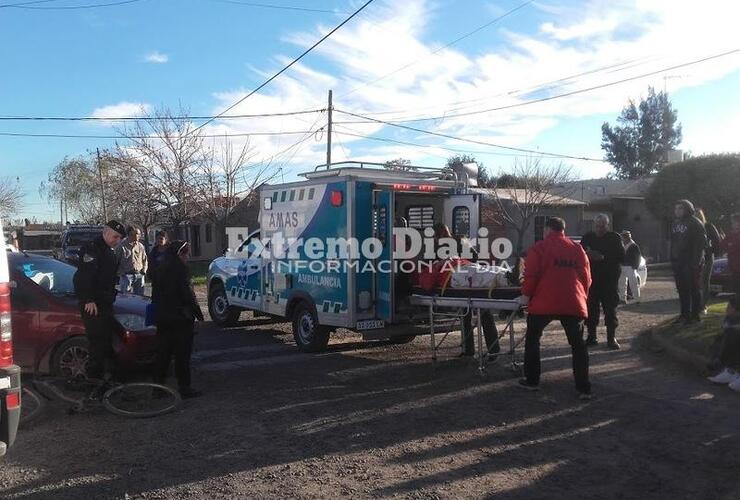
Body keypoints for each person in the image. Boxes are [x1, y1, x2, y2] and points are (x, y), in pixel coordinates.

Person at [518, 217, 592, 399]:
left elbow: (531, 275)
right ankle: (583, 388)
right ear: (563, 229)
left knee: (533, 339)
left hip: (544, 301)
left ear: (547, 229)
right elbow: (586, 277)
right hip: (572, 301)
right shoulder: (577, 248)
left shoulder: (539, 248)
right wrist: (583, 296)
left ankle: (532, 380)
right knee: (578, 345)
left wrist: (526, 296)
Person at [72, 220, 126, 392]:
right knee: (97, 344)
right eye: (115, 236)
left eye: (119, 238)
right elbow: (83, 276)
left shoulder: (108, 250)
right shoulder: (92, 248)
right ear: (105, 232)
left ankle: (109, 379)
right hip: (93, 305)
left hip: (105, 302)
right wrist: (88, 299)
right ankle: (93, 386)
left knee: (107, 342)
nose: (117, 240)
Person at [154, 240, 204, 398]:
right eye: (185, 253)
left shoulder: (160, 267)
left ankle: (157, 387)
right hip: (179, 318)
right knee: (182, 354)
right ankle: (184, 386)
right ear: (179, 253)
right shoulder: (180, 269)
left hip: (163, 316)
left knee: (163, 354)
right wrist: (198, 314)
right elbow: (188, 293)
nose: (187, 256)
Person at [582, 214, 625, 349]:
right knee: (591, 308)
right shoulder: (588, 237)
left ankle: (611, 337)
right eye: (597, 226)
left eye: (602, 226)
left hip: (609, 279)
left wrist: (603, 257)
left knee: (610, 309)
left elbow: (622, 257)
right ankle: (591, 335)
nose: (600, 229)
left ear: (608, 225)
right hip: (592, 280)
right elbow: (579, 254)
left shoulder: (614, 238)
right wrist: (589, 255)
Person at [671, 200, 707, 324]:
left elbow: (702, 244)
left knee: (693, 289)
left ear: (687, 209)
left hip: (691, 261)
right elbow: (673, 242)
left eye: (680, 208)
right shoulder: (675, 224)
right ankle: (684, 314)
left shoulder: (696, 223)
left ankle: (695, 315)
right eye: (676, 208)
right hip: (678, 262)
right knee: (681, 289)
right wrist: (673, 258)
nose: (677, 211)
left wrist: (695, 262)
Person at [707, 295, 740, 392]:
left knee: (732, 334)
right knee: (727, 336)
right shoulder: (728, 319)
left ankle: (727, 367)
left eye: (729, 307)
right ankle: (731, 371)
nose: (726, 309)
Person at [696, 208, 723, 313]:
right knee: (696, 281)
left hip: (707, 257)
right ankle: (697, 304)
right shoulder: (693, 228)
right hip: (696, 257)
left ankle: (703, 305)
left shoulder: (708, 226)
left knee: (704, 280)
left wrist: (711, 250)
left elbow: (717, 241)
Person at [116, 226, 148, 295]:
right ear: (130, 234)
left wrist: (144, 271)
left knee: (139, 298)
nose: (139, 236)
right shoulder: (121, 246)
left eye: (139, 234)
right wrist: (121, 273)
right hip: (126, 276)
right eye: (137, 234)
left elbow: (145, 260)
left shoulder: (141, 246)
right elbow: (116, 261)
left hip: (139, 275)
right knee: (126, 298)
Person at [618, 230, 642, 304]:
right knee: (622, 283)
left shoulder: (633, 245)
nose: (623, 238)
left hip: (630, 266)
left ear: (628, 237)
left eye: (624, 236)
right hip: (623, 266)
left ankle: (637, 299)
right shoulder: (622, 245)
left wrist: (635, 266)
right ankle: (622, 298)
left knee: (633, 283)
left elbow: (638, 257)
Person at [720, 213, 740, 295]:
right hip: (733, 266)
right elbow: (722, 245)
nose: (733, 223)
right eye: (733, 222)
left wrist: (729, 246)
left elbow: (734, 247)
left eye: (735, 221)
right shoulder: (730, 234)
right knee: (735, 288)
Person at [147, 230, 169, 300]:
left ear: (166, 239)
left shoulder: (170, 251)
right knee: (156, 299)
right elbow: (150, 264)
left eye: (162, 239)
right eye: (158, 239)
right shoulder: (154, 251)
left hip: (168, 280)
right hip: (156, 280)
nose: (160, 240)